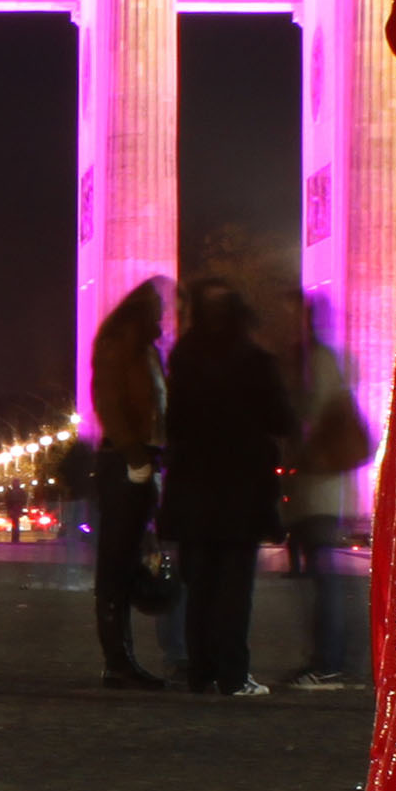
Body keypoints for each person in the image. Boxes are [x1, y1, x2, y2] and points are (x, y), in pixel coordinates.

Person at [160, 280, 295, 696]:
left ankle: (201, 673)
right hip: (241, 490)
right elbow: (282, 419)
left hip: (193, 490)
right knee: (235, 590)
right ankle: (234, 675)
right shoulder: (255, 360)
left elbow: (173, 423)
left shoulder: (183, 357)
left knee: (199, 587)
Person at [279, 287, 372, 692]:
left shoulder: (315, 363)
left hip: (317, 484)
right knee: (320, 576)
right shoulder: (329, 360)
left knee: (322, 576)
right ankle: (331, 660)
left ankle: (331, 663)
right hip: (322, 486)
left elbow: (307, 422)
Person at [88, 277, 172, 689]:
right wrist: (135, 457)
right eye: (160, 306)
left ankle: (123, 659)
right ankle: (117, 660)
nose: (166, 312)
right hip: (126, 464)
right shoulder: (121, 342)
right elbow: (109, 402)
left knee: (129, 559)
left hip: (143, 460)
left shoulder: (147, 348)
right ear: (143, 308)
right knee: (116, 565)